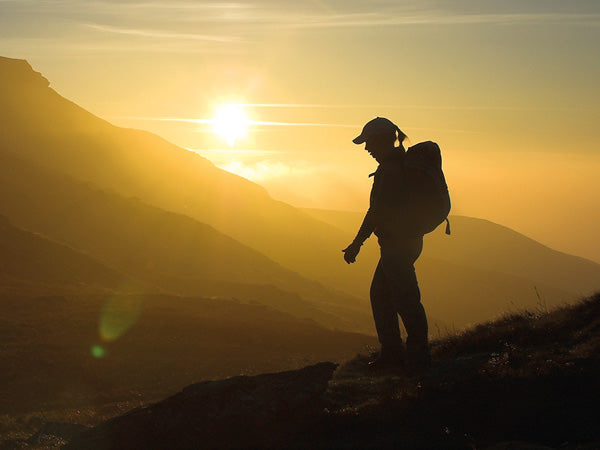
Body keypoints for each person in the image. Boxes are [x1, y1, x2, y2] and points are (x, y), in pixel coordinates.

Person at [343, 117, 430, 375]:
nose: (366, 148)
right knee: (384, 297)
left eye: (368, 142)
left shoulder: (389, 172)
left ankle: (416, 360)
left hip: (397, 247)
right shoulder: (399, 165)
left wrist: (356, 243)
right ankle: (397, 354)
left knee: (405, 301)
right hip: (408, 242)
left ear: (380, 140)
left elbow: (376, 212)